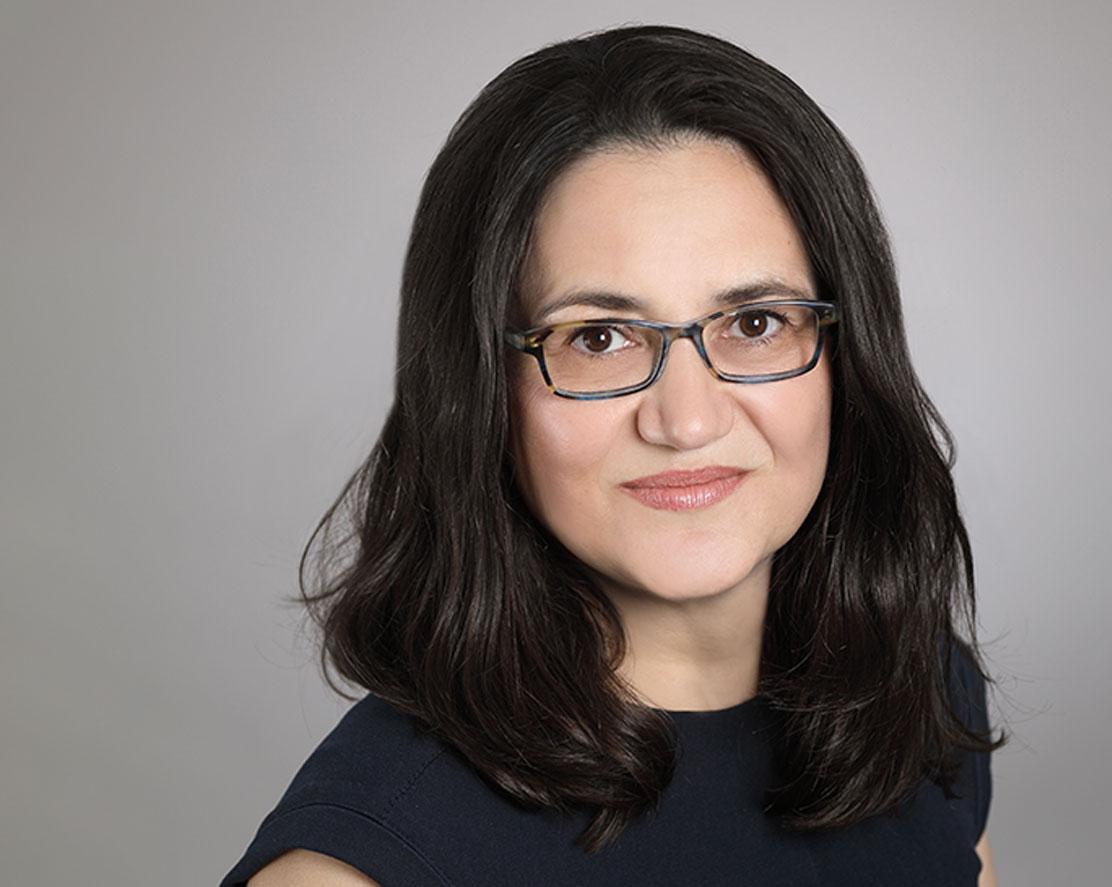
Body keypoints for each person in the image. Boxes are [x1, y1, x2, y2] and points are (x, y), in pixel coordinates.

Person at [221, 23, 1007, 887]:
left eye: (754, 323)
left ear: (848, 357)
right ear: (481, 389)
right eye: (598, 336)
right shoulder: (358, 865)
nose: (687, 419)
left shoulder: (918, 694)